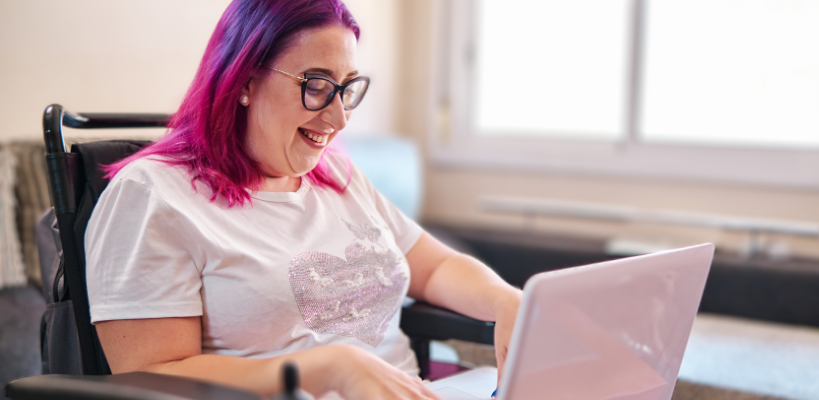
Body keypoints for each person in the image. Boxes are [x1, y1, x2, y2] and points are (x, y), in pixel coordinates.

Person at [84, 1, 522, 399]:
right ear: (244, 81)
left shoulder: (333, 173)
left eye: (347, 88)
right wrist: (329, 369)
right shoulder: (152, 195)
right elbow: (150, 373)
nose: (340, 117)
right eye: (316, 85)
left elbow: (437, 266)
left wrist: (507, 301)